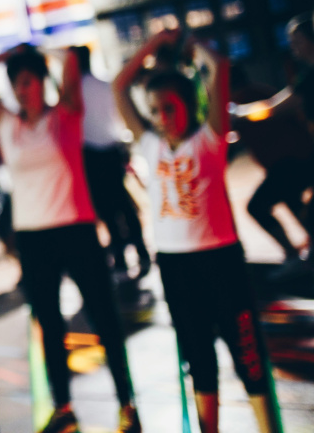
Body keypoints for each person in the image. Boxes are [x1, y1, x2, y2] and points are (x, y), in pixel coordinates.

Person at [114, 30, 278, 433]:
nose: (162, 116)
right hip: (175, 265)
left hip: (220, 260)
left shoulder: (209, 140)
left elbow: (218, 67)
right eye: (155, 110)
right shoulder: (150, 145)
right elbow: (120, 85)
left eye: (170, 107)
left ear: (188, 106)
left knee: (247, 353)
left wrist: (188, 45)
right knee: (199, 358)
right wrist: (151, 45)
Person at [0, 45, 139, 433]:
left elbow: (73, 62)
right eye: (16, 83)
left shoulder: (66, 116)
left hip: (76, 230)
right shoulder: (7, 124)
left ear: (43, 81)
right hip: (34, 239)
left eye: (27, 81)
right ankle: (63, 407)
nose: (21, 90)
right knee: (48, 323)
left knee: (104, 317)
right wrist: (11, 52)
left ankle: (126, 403)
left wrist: (40, 50)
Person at [72, 45, 151, 280]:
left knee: (106, 208)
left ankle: (120, 257)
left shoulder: (74, 92)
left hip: (91, 155)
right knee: (123, 203)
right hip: (112, 150)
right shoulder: (104, 85)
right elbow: (118, 119)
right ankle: (141, 250)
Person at [229, 65, 314, 274]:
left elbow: (267, 112)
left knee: (257, 206)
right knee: (296, 206)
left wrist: (238, 115)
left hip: (290, 162)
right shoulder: (262, 90)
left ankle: (294, 256)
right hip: (300, 158)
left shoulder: (239, 105)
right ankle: (302, 256)